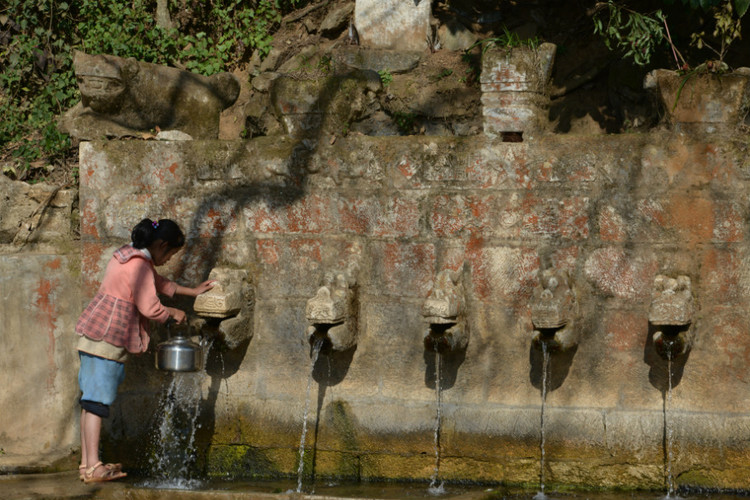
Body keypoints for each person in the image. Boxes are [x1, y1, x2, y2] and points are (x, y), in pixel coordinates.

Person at [75, 218, 214, 483]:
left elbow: (159, 283)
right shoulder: (139, 265)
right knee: (96, 404)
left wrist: (193, 292)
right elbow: (150, 307)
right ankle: (94, 467)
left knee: (89, 402)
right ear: (161, 245)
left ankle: (86, 465)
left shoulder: (129, 255)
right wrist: (173, 313)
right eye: (170, 253)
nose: (169, 259)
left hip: (93, 335)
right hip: (109, 340)